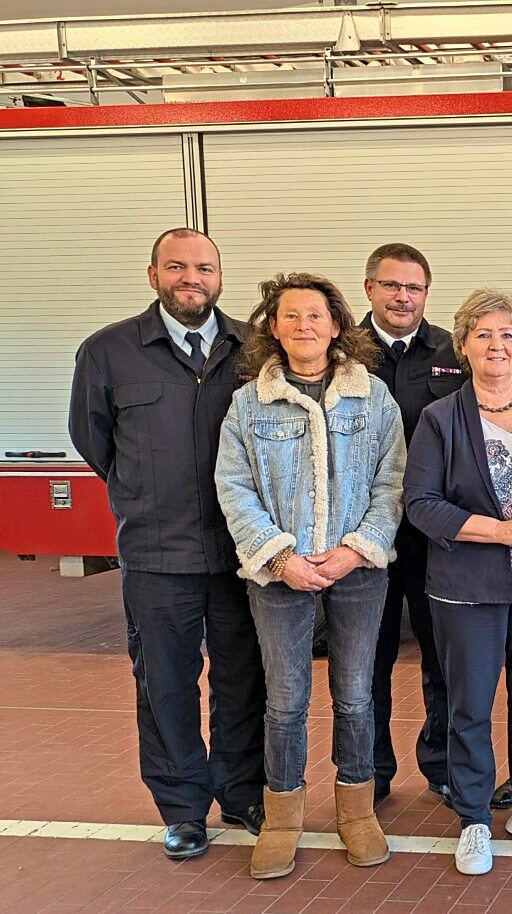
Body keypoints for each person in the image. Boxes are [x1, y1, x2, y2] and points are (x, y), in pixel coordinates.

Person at [68, 228, 268, 860]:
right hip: (158, 557)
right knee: (165, 685)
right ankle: (183, 808)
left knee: (245, 679)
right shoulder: (108, 352)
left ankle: (241, 794)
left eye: (204, 268)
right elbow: (94, 441)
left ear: (220, 277)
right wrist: (145, 499)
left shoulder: (253, 351)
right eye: (177, 267)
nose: (192, 278)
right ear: (151, 274)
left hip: (243, 554)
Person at [215, 272, 405, 880]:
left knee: (354, 696)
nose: (304, 326)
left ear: (336, 325)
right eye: (290, 316)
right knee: (285, 701)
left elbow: (392, 480)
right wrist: (278, 557)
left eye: (315, 316)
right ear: (271, 327)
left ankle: (356, 812)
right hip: (278, 576)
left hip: (358, 572)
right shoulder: (249, 403)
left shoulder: (372, 396)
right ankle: (283, 819)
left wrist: (356, 550)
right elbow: (234, 485)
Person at [405, 288, 512, 876]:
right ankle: (475, 816)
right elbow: (421, 506)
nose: (496, 344)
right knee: (470, 705)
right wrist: (498, 531)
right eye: (483, 335)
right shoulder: (439, 418)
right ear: (463, 346)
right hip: (468, 586)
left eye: (507, 334)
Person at [358, 242, 464, 808]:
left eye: (414, 287)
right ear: (369, 288)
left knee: (440, 658)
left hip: (433, 539)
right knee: (365, 661)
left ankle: (444, 766)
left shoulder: (453, 350)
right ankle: (370, 771)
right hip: (361, 540)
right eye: (392, 285)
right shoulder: (339, 352)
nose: (403, 297)